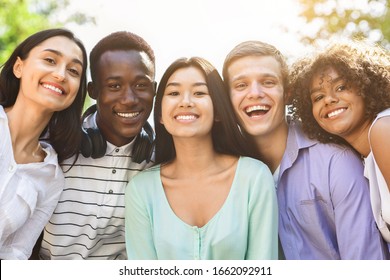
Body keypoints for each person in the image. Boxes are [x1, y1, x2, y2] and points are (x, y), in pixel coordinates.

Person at [222, 40, 389, 259]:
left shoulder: (340, 159)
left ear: (287, 93)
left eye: (268, 82)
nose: (255, 93)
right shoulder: (226, 173)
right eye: (241, 85)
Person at [125, 57, 278, 260]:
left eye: (199, 93)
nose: (186, 102)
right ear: (160, 114)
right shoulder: (141, 190)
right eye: (173, 93)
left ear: (218, 111)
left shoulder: (254, 177)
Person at [39, 31, 156, 260]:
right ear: (93, 91)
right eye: (114, 86)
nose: (129, 98)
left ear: (155, 89)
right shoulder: (52, 144)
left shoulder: (160, 159)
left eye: (141, 85)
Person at [289, 41, 390, 244]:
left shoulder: (383, 129)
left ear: (366, 86)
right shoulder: (362, 156)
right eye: (318, 97)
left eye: (341, 87)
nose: (329, 99)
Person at [0, 28, 88, 259]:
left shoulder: (52, 178)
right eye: (50, 60)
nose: (61, 75)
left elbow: (15, 253)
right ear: (19, 67)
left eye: (73, 70)